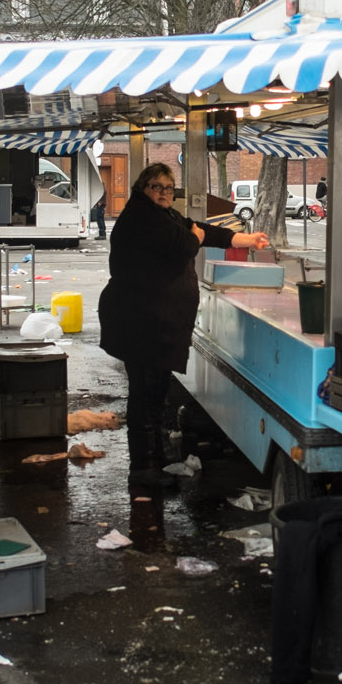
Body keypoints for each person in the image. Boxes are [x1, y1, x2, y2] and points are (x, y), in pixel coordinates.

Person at [99, 163, 268, 486]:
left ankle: (154, 459)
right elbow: (185, 246)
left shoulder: (163, 215)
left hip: (152, 322)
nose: (163, 193)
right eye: (156, 187)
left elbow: (198, 229)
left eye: (168, 188)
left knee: (155, 392)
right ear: (141, 188)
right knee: (146, 394)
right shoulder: (142, 218)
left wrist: (242, 239)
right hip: (140, 322)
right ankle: (144, 469)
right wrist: (195, 236)